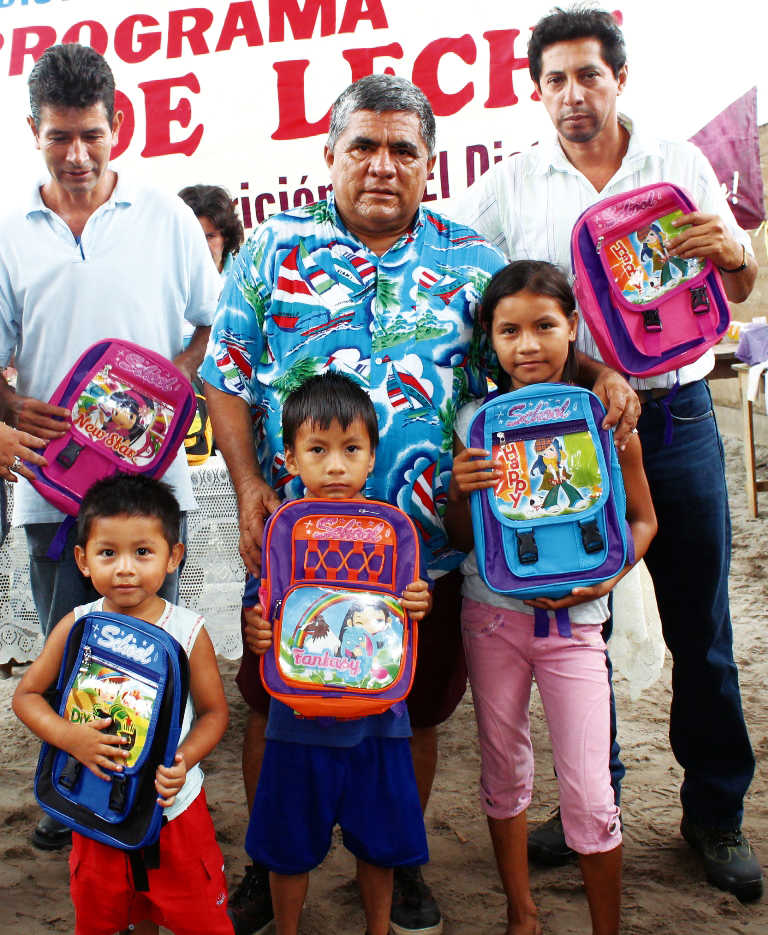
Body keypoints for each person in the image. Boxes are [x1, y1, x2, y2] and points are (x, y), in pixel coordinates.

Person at [453, 5, 762, 902]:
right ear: (536, 90)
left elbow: (731, 284)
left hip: (677, 417)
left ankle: (715, 809)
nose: (573, 94)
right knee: (574, 616)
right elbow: (478, 296)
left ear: (619, 78)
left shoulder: (677, 164)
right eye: (555, 80)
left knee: (699, 624)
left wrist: (735, 248)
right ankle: (598, 802)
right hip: (560, 433)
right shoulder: (509, 190)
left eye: (589, 75)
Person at [201, 73, 509, 935]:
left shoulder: (473, 263)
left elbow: (517, 378)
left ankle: (399, 860)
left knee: (409, 701)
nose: (382, 164)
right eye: (363, 146)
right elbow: (224, 381)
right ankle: (272, 861)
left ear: (430, 164)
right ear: (328, 156)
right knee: (279, 702)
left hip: (424, 551)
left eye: (403, 149)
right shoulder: (270, 250)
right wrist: (250, 486)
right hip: (293, 546)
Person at [0, 42, 221, 850]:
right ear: (33, 130)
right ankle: (77, 793)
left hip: (154, 491)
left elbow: (212, 322)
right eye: (59, 136)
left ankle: (156, 786)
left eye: (92, 133)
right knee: (73, 645)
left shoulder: (164, 215)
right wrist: (11, 408)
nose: (78, 153)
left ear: (118, 126)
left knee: (154, 640)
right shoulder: (8, 229)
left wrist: (177, 384)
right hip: (50, 490)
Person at [445, 260, 657, 935]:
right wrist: (461, 489)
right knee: (503, 769)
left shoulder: (603, 415)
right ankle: (521, 912)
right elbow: (462, 537)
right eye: (510, 330)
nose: (528, 344)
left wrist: (612, 572)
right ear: (490, 337)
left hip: (576, 624)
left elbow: (643, 519)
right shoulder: (474, 424)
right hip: (490, 614)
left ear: (573, 326)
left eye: (544, 326)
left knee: (592, 795)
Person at [242, 371, 432, 935]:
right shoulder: (282, 529)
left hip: (379, 717)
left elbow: (405, 600)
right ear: (291, 458)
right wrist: (258, 631)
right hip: (297, 715)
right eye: (317, 450)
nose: (334, 466)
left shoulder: (393, 529)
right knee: (285, 845)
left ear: (372, 457)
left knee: (380, 842)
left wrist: (419, 599)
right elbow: (266, 607)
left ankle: (377, 928)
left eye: (351, 449)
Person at [12, 474, 232, 935]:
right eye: (108, 553)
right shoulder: (76, 624)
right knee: (104, 917)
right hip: (94, 806)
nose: (125, 569)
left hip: (175, 809)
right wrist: (70, 737)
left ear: (174, 556)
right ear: (83, 560)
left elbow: (215, 713)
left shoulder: (188, 631)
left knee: (201, 919)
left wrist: (185, 759)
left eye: (143, 552)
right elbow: (26, 696)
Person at [178, 184, 245, 279]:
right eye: (193, 238)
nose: (201, 246)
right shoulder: (170, 282)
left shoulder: (246, 278)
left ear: (226, 237)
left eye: (209, 237)